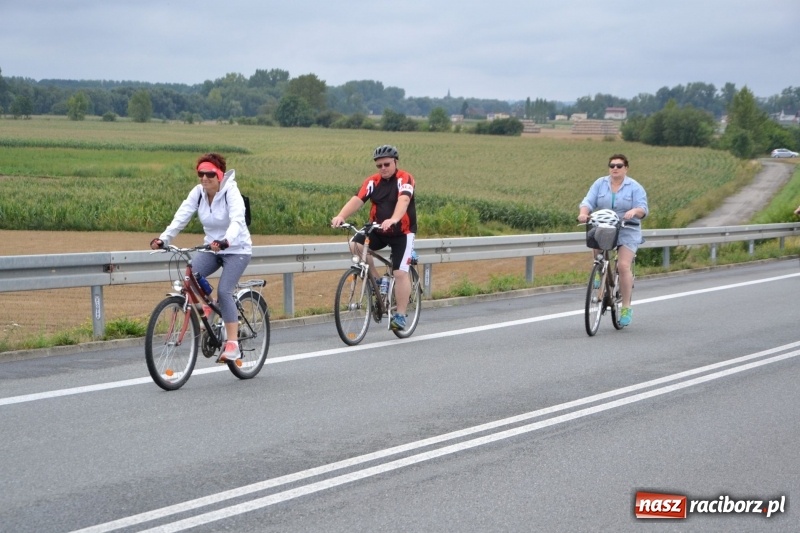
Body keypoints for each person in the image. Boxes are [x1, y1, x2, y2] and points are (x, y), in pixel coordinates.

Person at [150, 152, 252, 363]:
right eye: (201, 174)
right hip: (211, 248)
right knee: (190, 275)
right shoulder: (198, 193)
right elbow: (182, 216)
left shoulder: (231, 192)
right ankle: (209, 304)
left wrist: (226, 241)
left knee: (225, 290)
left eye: (210, 174)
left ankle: (232, 344)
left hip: (236, 249)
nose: (205, 178)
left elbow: (237, 221)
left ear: (220, 175)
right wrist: (164, 239)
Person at [331, 145, 417, 331]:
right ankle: (377, 280)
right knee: (355, 245)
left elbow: (404, 200)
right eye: (379, 165)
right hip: (378, 229)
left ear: (395, 162)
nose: (383, 168)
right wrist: (341, 216)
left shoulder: (405, 178)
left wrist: (393, 219)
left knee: (400, 273)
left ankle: (400, 315)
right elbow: (357, 199)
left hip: (402, 232)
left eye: (386, 164)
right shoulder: (373, 181)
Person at [577, 154, 648, 327]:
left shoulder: (634, 187)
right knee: (597, 247)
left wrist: (635, 212)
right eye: (612, 165)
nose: (615, 168)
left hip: (627, 228)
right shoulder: (600, 183)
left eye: (619, 166)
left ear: (626, 168)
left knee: (623, 266)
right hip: (605, 226)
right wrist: (583, 213)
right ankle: (599, 271)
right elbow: (588, 201)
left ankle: (626, 307)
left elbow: (643, 208)